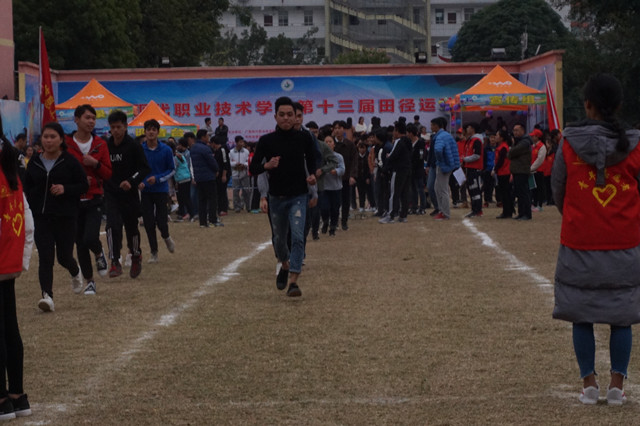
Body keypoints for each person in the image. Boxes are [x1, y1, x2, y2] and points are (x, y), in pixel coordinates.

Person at [551, 73, 640, 406]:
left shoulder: (568, 142)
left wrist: (579, 216)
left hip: (579, 242)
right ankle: (617, 386)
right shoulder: (635, 144)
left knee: (581, 313)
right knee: (622, 316)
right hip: (625, 243)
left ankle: (589, 384)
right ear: (618, 105)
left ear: (587, 104)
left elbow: (558, 189)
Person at [249, 96, 316, 297]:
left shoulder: (304, 138)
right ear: (275, 116)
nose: (286, 118)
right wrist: (267, 165)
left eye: (290, 114)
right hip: (276, 197)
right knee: (279, 240)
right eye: (282, 114)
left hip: (298, 196)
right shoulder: (266, 141)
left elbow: (312, 160)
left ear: (296, 117)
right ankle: (285, 265)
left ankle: (294, 281)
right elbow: (253, 168)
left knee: (298, 237)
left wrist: (313, 175)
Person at [24, 122, 88, 311]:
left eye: (53, 137)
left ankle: (75, 270)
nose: (49, 140)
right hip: (41, 217)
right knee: (45, 257)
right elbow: (26, 186)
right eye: (46, 137)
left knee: (63, 257)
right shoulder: (34, 161)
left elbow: (83, 185)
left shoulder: (70, 161)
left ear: (61, 140)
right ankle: (47, 296)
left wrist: (65, 189)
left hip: (65, 217)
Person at [0, 137, 33, 419]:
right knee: (10, 326)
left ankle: (1, 399)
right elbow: (27, 218)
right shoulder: (9, 165)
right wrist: (21, 260)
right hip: (8, 259)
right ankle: (17, 395)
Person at [66, 104, 112, 295]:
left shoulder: (100, 144)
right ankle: (90, 281)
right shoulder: (66, 144)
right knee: (80, 243)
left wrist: (95, 164)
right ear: (76, 120)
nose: (91, 121)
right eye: (87, 117)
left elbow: (108, 173)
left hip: (95, 197)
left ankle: (99, 252)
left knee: (90, 237)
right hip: (73, 199)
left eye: (93, 118)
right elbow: (61, 171)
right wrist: (77, 181)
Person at [105, 110, 150, 279]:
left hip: (129, 194)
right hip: (111, 193)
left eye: (118, 127)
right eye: (112, 127)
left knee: (131, 228)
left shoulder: (133, 146)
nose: (115, 131)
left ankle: (136, 255)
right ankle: (114, 261)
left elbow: (144, 168)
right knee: (112, 226)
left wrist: (131, 181)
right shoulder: (106, 146)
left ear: (125, 126)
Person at [139, 119, 176, 263]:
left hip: (161, 190)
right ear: (145, 132)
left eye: (153, 129)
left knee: (161, 221)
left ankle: (166, 237)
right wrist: (139, 182)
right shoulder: (140, 150)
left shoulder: (166, 150)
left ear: (158, 132)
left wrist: (158, 178)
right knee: (148, 223)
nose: (151, 132)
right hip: (146, 192)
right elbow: (136, 169)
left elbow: (171, 170)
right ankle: (154, 253)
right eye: (148, 129)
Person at [190, 129, 221, 228]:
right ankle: (212, 220)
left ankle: (202, 222)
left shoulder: (193, 148)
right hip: (208, 176)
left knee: (202, 200)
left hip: (199, 177)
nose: (208, 137)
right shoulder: (205, 148)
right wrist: (216, 169)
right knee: (212, 199)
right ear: (203, 137)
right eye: (207, 136)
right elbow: (211, 161)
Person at [432, 117, 460, 220]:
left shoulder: (440, 137)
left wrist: (441, 161)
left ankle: (445, 213)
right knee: (437, 188)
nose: (431, 127)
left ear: (436, 126)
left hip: (443, 165)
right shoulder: (448, 136)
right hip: (449, 164)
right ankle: (442, 211)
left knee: (442, 190)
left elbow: (438, 150)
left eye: (432, 125)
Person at [332, 121, 357, 230]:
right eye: (335, 128)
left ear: (344, 129)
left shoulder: (349, 144)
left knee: (346, 201)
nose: (337, 130)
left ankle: (344, 222)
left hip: (346, 178)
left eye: (340, 128)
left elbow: (354, 161)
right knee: (335, 202)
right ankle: (334, 222)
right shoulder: (330, 143)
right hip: (333, 178)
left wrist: (352, 175)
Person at [509, 124, 533, 220]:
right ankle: (521, 213)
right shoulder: (518, 142)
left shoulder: (525, 142)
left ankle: (527, 213)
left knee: (524, 193)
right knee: (519, 193)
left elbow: (512, 152)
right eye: (514, 130)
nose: (515, 132)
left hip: (522, 170)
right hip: (517, 170)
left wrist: (511, 151)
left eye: (517, 130)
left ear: (523, 131)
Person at [461, 122, 484, 217]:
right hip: (470, 168)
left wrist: (465, 159)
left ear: (473, 129)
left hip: (475, 169)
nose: (467, 129)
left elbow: (477, 155)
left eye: (469, 127)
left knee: (475, 190)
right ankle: (474, 209)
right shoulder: (470, 140)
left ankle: (478, 210)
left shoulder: (477, 140)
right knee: (471, 190)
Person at [493, 129, 513, 219]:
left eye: (497, 135)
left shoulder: (503, 148)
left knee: (505, 193)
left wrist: (495, 170)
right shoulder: (501, 147)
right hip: (502, 172)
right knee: (504, 193)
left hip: (504, 172)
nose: (495, 137)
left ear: (501, 138)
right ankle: (507, 211)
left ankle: (507, 212)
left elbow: (501, 161)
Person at [230, 136, 251, 213]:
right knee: (236, 191)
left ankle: (248, 206)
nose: (242, 143)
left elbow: (248, 161)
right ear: (236, 142)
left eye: (242, 142)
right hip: (235, 174)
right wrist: (235, 164)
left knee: (246, 191)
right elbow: (230, 162)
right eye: (240, 142)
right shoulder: (231, 152)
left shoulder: (246, 151)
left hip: (244, 173)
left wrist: (244, 165)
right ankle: (237, 207)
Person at [530, 128, 547, 211]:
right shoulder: (532, 147)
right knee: (534, 189)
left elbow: (540, 160)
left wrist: (531, 168)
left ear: (537, 137)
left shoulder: (542, 147)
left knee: (540, 188)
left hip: (539, 170)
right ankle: (534, 203)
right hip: (532, 171)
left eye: (533, 136)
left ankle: (539, 205)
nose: (532, 137)